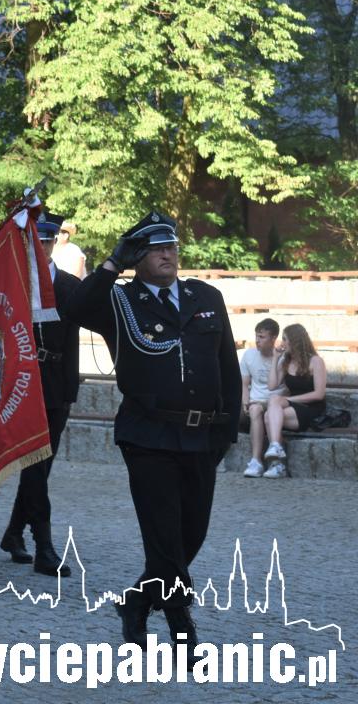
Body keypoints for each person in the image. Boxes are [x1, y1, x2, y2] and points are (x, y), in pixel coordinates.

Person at [69, 211, 240, 651]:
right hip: (148, 435)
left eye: (172, 247)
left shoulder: (206, 296)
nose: (167, 254)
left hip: (202, 436)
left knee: (191, 534)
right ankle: (183, 630)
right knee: (164, 537)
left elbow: (227, 367)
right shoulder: (120, 301)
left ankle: (136, 601)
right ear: (138, 257)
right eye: (155, 248)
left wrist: (225, 433)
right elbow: (76, 308)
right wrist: (112, 263)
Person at [0, 213, 80, 577]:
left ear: (54, 244)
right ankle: (43, 545)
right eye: (35, 240)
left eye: (46, 241)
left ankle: (15, 533)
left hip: (57, 383)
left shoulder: (69, 285)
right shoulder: (15, 284)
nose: (41, 247)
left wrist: (69, 388)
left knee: (41, 467)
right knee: (34, 464)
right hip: (23, 384)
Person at [261, 323, 327, 479]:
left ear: (295, 341)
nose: (282, 343)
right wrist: (275, 359)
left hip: (311, 408)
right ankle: (276, 448)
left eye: (285, 339)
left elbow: (319, 394)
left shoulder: (316, 361)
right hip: (293, 406)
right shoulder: (286, 362)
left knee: (271, 410)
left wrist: (289, 399)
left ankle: (278, 464)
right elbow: (271, 385)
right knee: (269, 411)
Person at [239, 318, 284, 477]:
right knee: (255, 409)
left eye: (262, 337)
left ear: (273, 339)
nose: (257, 341)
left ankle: (276, 464)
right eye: (256, 336)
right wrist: (245, 401)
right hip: (255, 401)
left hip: (276, 402)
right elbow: (245, 383)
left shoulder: (282, 358)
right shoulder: (249, 355)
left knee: (267, 413)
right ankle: (256, 461)